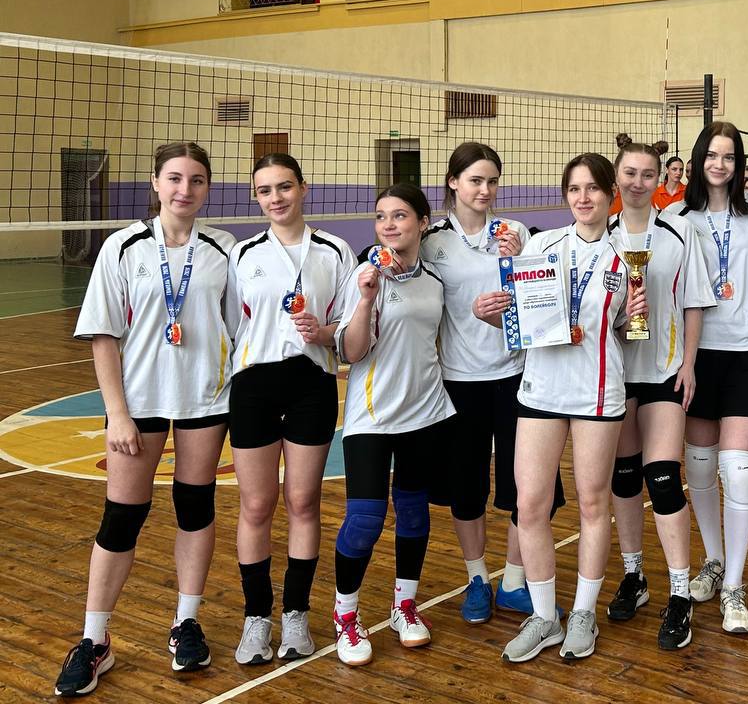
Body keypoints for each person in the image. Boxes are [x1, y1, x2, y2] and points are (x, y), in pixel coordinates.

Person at [56, 143, 235, 697]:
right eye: (174, 178)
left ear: (207, 188)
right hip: (139, 403)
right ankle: (95, 640)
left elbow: (241, 328)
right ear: (155, 184)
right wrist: (116, 413)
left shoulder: (224, 249)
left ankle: (186, 622)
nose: (185, 189)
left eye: (197, 180)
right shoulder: (123, 246)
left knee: (195, 509)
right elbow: (103, 335)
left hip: (206, 400)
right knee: (121, 518)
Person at [491, 154, 644, 663]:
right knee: (531, 504)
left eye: (593, 188)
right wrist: (497, 309)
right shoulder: (541, 247)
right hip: (540, 390)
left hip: (598, 392)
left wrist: (634, 316)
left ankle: (582, 613)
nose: (583, 198)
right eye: (574, 189)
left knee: (593, 504)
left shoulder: (628, 258)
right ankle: (543, 616)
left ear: (610, 195)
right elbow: (521, 319)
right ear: (565, 195)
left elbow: (625, 331)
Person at [425, 143, 565, 625]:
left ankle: (513, 581)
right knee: (466, 490)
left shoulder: (516, 233)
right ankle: (477, 579)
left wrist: (522, 262)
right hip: (459, 382)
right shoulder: (433, 242)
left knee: (527, 487)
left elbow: (540, 304)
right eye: (475, 181)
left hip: (517, 378)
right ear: (453, 182)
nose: (485, 190)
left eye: (492, 181)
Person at [226, 153, 356, 665]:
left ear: (304, 188)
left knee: (303, 502)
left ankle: (296, 614)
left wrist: (322, 333)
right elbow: (233, 323)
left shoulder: (334, 250)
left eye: (284, 186)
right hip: (254, 386)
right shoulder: (243, 254)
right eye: (265, 190)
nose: (275, 198)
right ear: (255, 197)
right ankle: (256, 617)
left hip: (311, 384)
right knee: (256, 505)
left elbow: (348, 328)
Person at [329, 185, 454, 666]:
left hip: (425, 413)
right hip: (373, 417)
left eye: (399, 215)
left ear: (423, 223)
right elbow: (351, 351)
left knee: (414, 513)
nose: (388, 224)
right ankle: (346, 614)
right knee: (364, 521)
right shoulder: (364, 275)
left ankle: (404, 606)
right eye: (381, 216)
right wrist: (366, 299)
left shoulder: (435, 280)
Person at [606, 142, 715, 649]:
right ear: (617, 177)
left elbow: (693, 302)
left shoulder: (679, 230)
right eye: (630, 173)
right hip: (614, 373)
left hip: (664, 369)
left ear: (659, 180)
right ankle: (635, 574)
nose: (638, 181)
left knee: (664, 477)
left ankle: (679, 592)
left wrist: (689, 363)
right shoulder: (601, 233)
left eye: (647, 174)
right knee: (624, 478)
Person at [671, 122, 748, 634]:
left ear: (739, 164)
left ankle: (734, 585)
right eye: (712, 155)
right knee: (701, 465)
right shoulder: (675, 216)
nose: (720, 164)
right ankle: (712, 559)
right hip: (696, 353)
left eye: (729, 157)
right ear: (698, 160)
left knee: (740, 467)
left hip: (747, 350)